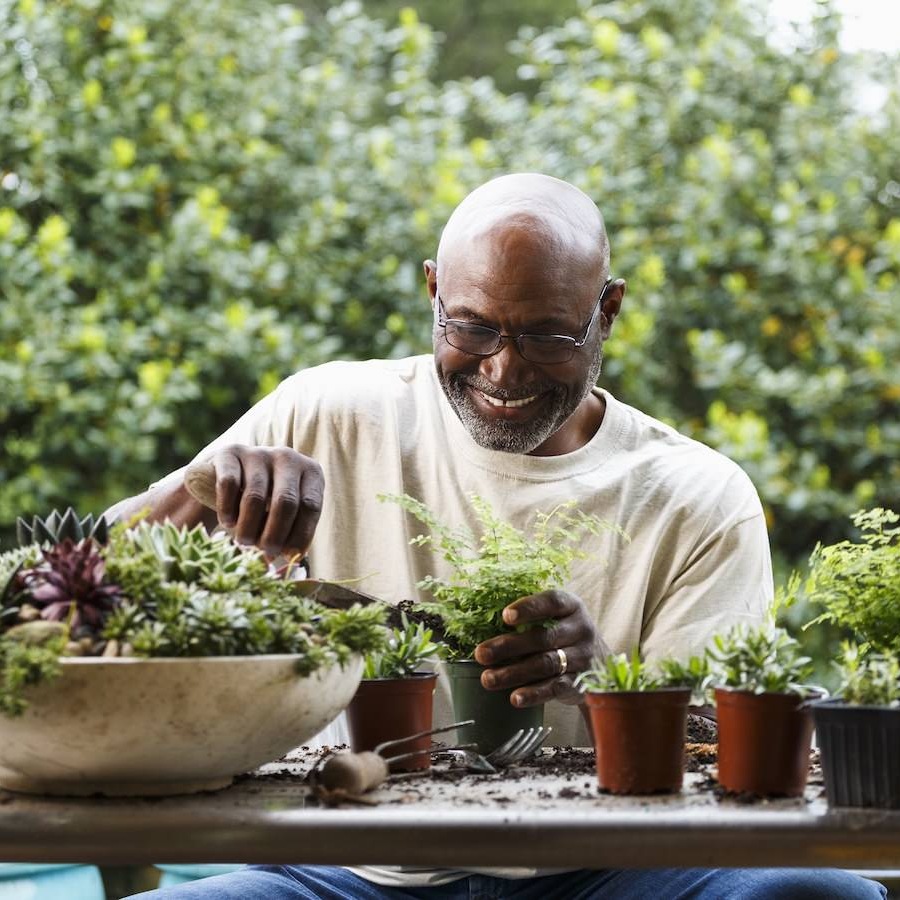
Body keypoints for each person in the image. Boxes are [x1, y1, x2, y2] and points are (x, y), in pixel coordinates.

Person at [118, 174, 885, 899]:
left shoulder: (694, 495)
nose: (504, 368)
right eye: (473, 326)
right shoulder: (327, 414)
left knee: (821, 893)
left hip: (617, 878)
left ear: (607, 310)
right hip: (348, 875)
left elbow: (721, 763)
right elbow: (71, 583)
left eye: (549, 335)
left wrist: (599, 684)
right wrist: (205, 489)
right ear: (432, 292)